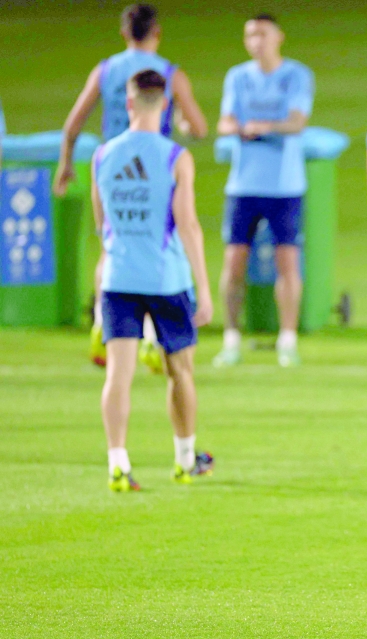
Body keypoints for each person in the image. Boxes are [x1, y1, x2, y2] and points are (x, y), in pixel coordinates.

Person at [53, 3, 208, 371]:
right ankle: (154, 339)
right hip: (156, 164)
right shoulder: (169, 75)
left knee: (111, 243)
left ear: (124, 33)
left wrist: (65, 164)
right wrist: (183, 126)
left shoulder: (105, 70)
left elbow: (73, 123)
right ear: (157, 33)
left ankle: (101, 324)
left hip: (111, 165)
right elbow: (199, 128)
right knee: (159, 248)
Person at [92, 70, 214, 491]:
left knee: (118, 377)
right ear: (165, 105)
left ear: (127, 104)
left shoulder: (103, 156)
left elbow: (102, 224)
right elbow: (189, 226)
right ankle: (184, 459)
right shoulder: (175, 157)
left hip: (118, 277)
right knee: (180, 371)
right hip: (166, 278)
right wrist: (204, 290)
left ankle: (118, 464)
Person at [214, 13, 314, 368]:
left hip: (284, 185)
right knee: (233, 262)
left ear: (278, 37)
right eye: (250, 35)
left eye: (262, 34)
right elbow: (224, 122)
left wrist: (264, 126)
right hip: (243, 185)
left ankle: (288, 339)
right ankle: (231, 338)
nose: (256, 41)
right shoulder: (238, 77)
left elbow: (297, 121)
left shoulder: (296, 75)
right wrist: (238, 128)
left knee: (288, 263)